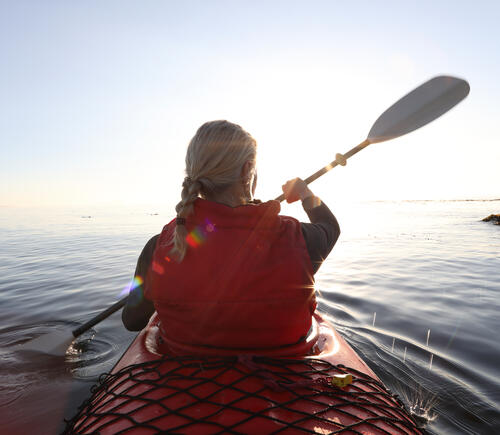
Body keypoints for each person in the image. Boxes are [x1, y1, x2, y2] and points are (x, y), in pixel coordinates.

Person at [122, 120, 340, 353]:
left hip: (184, 381)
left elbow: (132, 320)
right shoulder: (299, 239)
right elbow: (329, 227)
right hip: (285, 380)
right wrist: (306, 193)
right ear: (247, 170)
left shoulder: (159, 246)